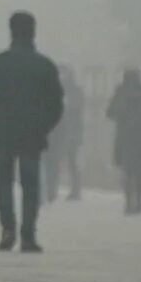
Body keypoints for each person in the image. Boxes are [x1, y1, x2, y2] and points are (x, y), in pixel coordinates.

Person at [0, 10, 64, 254]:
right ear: (33, 31)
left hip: (3, 132)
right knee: (31, 184)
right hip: (32, 134)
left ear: (11, 31)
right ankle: (28, 234)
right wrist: (43, 126)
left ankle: (7, 230)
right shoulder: (44, 66)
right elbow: (56, 104)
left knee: (4, 183)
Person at [106, 67, 141, 215]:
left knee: (128, 172)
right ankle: (140, 200)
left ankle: (129, 202)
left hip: (125, 140)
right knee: (140, 173)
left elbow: (110, 112)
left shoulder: (120, 94)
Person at [47, 65, 87, 201]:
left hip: (70, 131)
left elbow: (77, 107)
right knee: (54, 161)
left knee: (71, 161)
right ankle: (51, 190)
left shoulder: (74, 91)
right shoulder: (53, 90)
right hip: (57, 131)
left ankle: (74, 190)